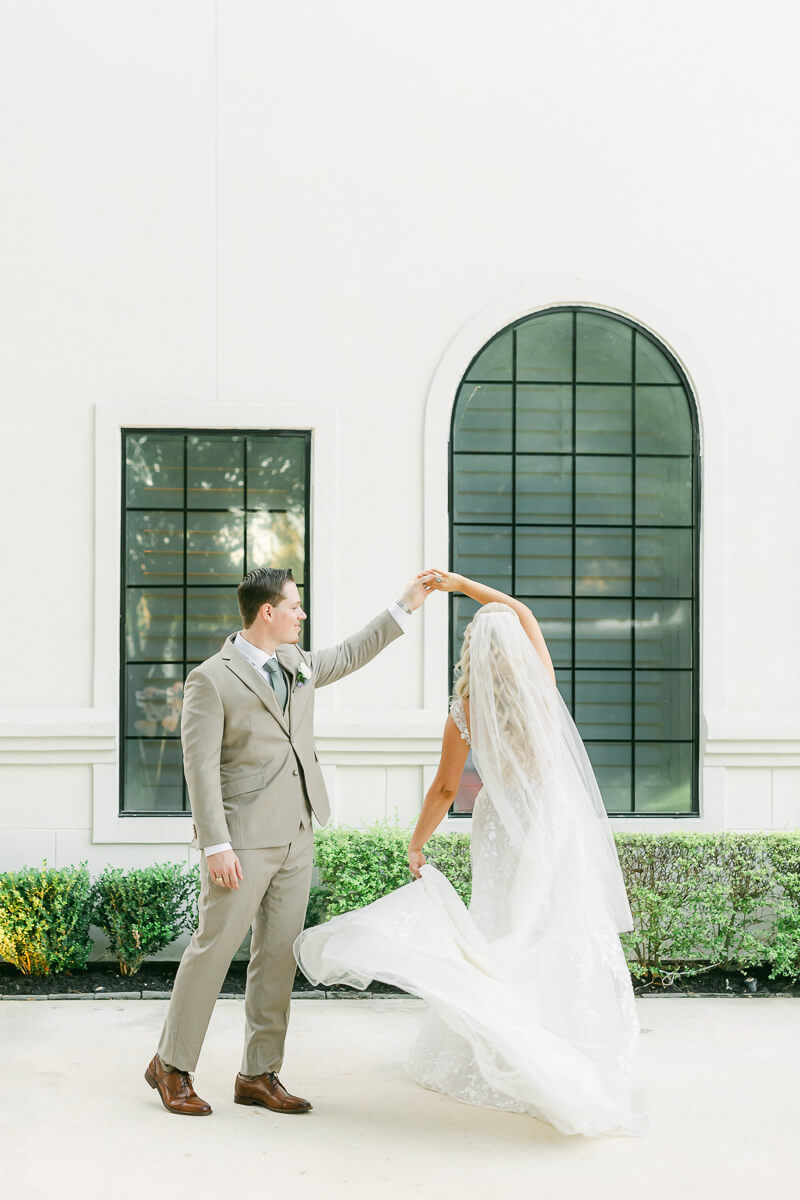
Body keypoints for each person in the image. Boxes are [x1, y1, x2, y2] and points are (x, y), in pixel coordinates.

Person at [295, 570, 648, 1137]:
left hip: (501, 829)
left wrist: (417, 843)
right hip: (554, 824)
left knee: (498, 926)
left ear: (470, 653)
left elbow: (443, 790)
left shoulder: (465, 709)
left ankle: (499, 1049)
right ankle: (567, 1041)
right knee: (558, 926)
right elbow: (521, 609)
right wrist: (463, 586)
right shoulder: (542, 681)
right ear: (516, 644)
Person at [145, 566, 432, 1116]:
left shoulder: (297, 665)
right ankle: (171, 1066)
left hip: (299, 832)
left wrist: (406, 605)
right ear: (267, 613)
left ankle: (258, 1074)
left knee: (277, 957)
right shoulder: (211, 678)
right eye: (294, 606)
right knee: (212, 952)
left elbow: (350, 653)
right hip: (243, 840)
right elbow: (199, 769)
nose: (302, 614)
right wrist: (215, 845)